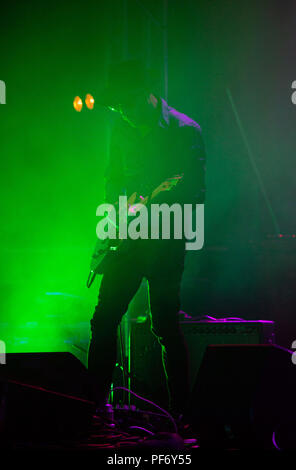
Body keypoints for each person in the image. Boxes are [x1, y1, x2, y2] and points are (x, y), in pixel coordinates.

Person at [88, 60, 206, 419]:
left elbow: (194, 191)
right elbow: (113, 180)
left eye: (126, 105)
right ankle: (93, 410)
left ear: (147, 97)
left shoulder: (184, 131)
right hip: (127, 239)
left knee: (166, 327)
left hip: (166, 238)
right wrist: (115, 218)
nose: (122, 114)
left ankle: (182, 417)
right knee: (104, 319)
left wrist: (154, 206)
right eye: (117, 108)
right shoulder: (122, 130)